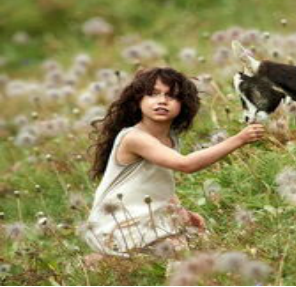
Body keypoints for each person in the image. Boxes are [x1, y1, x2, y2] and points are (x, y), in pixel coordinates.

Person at [83, 67, 265, 257]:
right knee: (185, 252)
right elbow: (186, 165)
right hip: (117, 224)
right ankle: (107, 259)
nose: (162, 101)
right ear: (138, 101)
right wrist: (238, 139)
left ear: (183, 105)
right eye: (153, 94)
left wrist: (181, 212)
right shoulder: (134, 138)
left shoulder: (171, 139)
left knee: (205, 241)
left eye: (172, 96)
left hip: (147, 218)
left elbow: (158, 182)